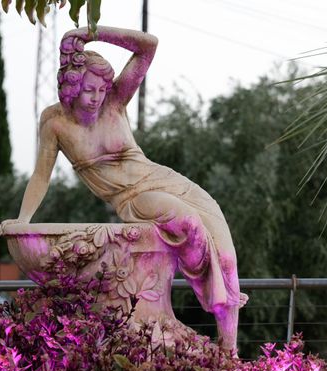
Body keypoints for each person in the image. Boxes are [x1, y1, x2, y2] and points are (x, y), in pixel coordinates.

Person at [15, 26, 246, 352]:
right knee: (187, 220)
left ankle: (229, 350)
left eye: (101, 89)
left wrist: (92, 33)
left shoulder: (115, 102)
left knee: (223, 249)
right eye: (89, 90)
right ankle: (206, 299)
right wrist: (23, 220)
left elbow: (148, 46)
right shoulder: (55, 123)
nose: (97, 97)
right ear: (71, 88)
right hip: (133, 197)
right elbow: (41, 175)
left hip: (165, 179)